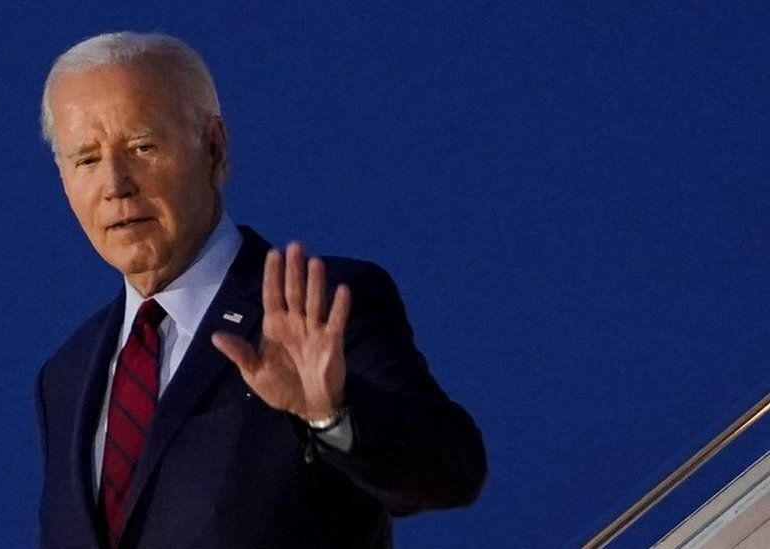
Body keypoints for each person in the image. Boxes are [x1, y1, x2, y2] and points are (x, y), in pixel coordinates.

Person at [34, 32, 486, 549]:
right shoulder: (65, 376)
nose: (115, 184)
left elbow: (449, 472)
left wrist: (330, 413)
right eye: (86, 159)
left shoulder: (317, 305)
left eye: (142, 147)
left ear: (214, 150)